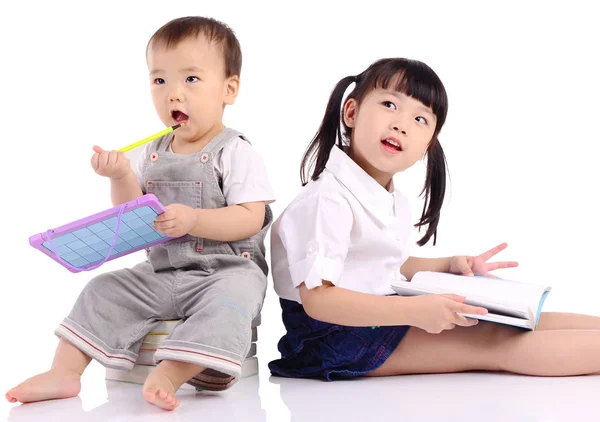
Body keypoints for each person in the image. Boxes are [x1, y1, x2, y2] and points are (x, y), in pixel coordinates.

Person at [269, 57, 600, 381]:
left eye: (420, 119)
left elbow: (377, 263)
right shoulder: (326, 200)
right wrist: (415, 311)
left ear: (429, 143)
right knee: (493, 343)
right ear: (351, 112)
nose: (401, 124)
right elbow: (318, 300)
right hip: (331, 338)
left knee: (511, 324)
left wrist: (449, 264)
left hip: (371, 319)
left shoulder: (387, 197)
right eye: (388, 104)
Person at [6, 16, 275, 411]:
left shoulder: (234, 151)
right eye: (160, 80)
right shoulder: (149, 153)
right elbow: (131, 219)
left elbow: (251, 216)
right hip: (162, 273)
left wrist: (194, 220)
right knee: (103, 290)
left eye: (191, 80)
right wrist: (119, 176)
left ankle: (172, 371)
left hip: (226, 269)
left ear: (229, 89)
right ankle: (65, 371)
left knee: (233, 300)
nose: (173, 95)